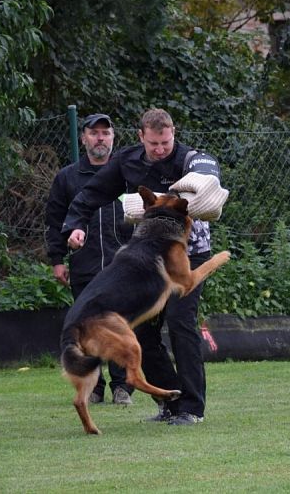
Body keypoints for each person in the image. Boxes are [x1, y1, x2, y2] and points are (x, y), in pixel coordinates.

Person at [61, 108, 222, 426]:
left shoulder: (190, 158)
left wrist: (201, 183)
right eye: (154, 144)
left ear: (173, 133)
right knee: (143, 332)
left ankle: (192, 408)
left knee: (179, 321)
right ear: (141, 137)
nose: (161, 149)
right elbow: (93, 192)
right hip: (147, 256)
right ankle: (170, 402)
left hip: (188, 252)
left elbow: (207, 171)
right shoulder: (127, 160)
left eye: (165, 142)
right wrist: (76, 224)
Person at [45, 113, 135, 405]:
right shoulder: (67, 177)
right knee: (87, 327)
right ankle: (95, 386)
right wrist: (57, 259)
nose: (100, 138)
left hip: (121, 266)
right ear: (83, 138)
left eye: (105, 133)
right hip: (83, 266)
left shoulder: (127, 175)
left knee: (120, 325)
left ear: (113, 138)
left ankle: (122, 387)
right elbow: (54, 219)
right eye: (93, 133)